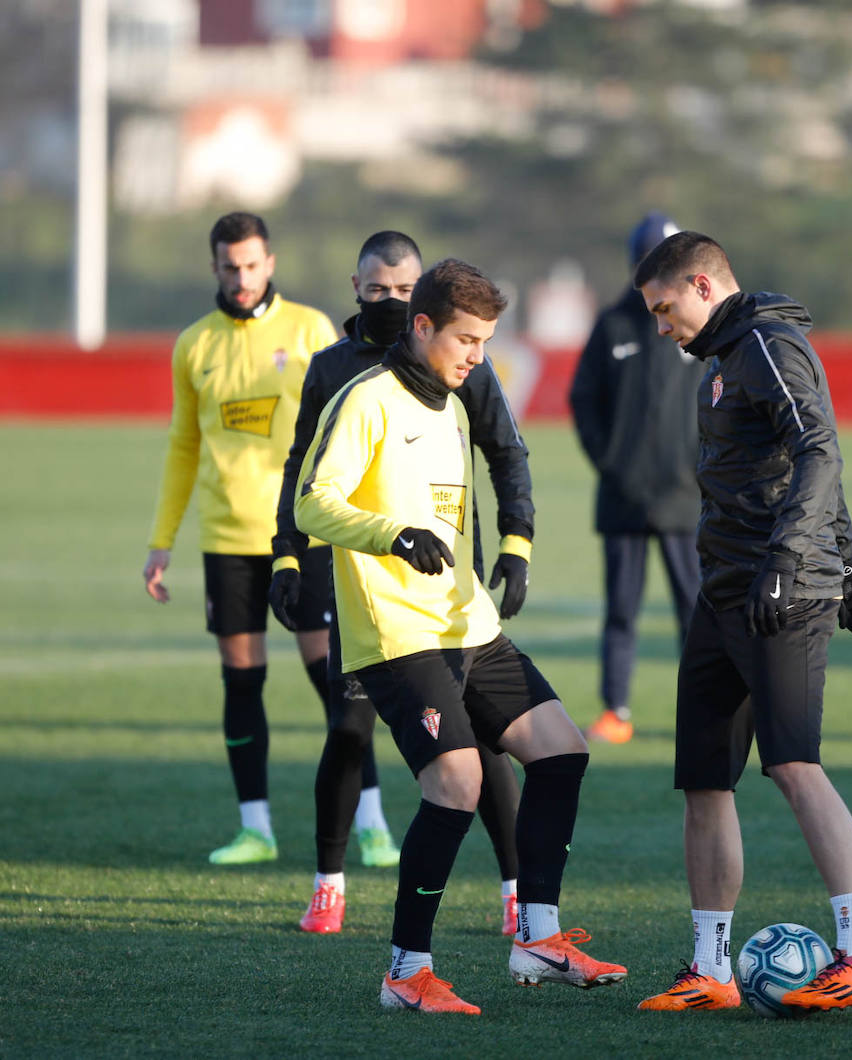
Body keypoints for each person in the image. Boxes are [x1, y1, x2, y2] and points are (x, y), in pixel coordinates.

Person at [295, 258, 625, 1013]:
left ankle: (539, 937)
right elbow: (313, 504)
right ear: (421, 328)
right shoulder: (366, 399)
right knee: (458, 781)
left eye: (486, 341)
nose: (478, 355)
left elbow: (503, 464)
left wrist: (515, 544)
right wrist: (392, 534)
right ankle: (405, 974)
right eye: (466, 339)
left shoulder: (453, 399)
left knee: (562, 749)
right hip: (398, 633)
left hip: (466, 620)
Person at [631, 232, 852, 1014]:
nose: (659, 325)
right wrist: (845, 562)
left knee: (792, 765)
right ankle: (711, 970)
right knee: (705, 780)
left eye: (664, 307)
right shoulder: (722, 360)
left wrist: (807, 565)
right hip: (725, 592)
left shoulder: (770, 345)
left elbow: (819, 450)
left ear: (704, 286)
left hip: (780, 591)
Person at [271, 231, 532, 935]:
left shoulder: (461, 361)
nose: (388, 298)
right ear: (355, 287)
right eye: (377, 288)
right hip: (357, 589)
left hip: (447, 592)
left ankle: (516, 891)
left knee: (480, 747)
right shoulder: (333, 371)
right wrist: (287, 558)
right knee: (349, 730)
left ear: (421, 301)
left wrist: (515, 543)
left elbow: (506, 454)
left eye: (402, 288)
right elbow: (304, 471)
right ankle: (330, 884)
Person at [143, 211, 339, 865]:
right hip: (228, 540)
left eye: (253, 265)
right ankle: (255, 828)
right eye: (231, 267)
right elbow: (182, 446)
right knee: (241, 683)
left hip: (305, 534)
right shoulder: (194, 345)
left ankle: (368, 820)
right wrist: (161, 539)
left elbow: (347, 430)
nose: (243, 277)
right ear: (215, 268)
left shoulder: (312, 330)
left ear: (271, 262)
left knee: (337, 684)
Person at [570, 212, 704, 744]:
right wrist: (612, 462)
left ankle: (702, 710)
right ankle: (616, 712)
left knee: (697, 613)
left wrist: (700, 467)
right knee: (621, 611)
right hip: (623, 496)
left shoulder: (698, 326)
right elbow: (583, 401)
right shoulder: (614, 325)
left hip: (686, 497)